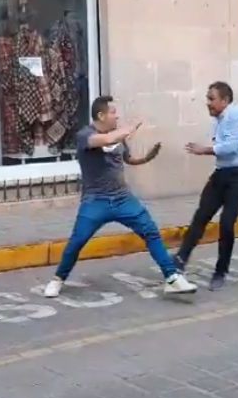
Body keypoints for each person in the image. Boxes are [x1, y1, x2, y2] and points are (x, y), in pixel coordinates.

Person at [43, 97, 198, 298]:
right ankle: (57, 280)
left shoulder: (118, 137)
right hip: (95, 200)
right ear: (101, 115)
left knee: (150, 231)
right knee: (77, 241)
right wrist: (131, 127)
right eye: (113, 112)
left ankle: (172, 278)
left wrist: (147, 158)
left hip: (123, 198)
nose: (117, 116)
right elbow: (106, 140)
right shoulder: (85, 135)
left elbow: (127, 159)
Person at [174, 83, 238, 291]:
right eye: (208, 98)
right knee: (201, 216)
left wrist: (204, 150)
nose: (208, 103)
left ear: (225, 100)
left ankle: (221, 271)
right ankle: (180, 259)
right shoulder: (219, 120)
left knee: (227, 223)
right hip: (222, 174)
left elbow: (230, 148)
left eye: (212, 99)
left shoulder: (235, 114)